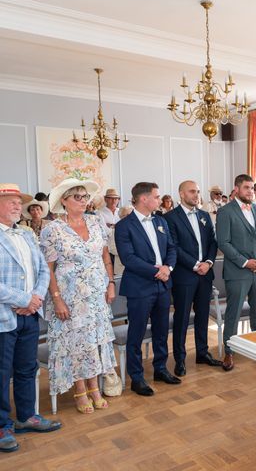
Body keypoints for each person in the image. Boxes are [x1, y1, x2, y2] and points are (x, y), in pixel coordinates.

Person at [40, 178, 117, 414]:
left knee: (94, 341)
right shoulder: (52, 229)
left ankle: (95, 387)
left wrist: (111, 283)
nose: (83, 201)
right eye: (77, 197)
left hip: (96, 295)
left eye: (85, 197)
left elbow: (105, 258)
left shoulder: (95, 222)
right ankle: (80, 390)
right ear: (64, 201)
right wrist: (57, 298)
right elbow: (48, 268)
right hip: (69, 297)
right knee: (75, 345)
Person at [0, 183, 60, 453]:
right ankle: (2, 426)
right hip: (4, 316)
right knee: (1, 375)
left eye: (18, 201)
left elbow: (42, 269)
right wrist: (23, 300)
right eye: (11, 201)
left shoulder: (25, 235)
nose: (17, 205)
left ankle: (26, 417)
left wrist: (35, 298)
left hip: (29, 315)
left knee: (27, 368)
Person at [114, 182, 180, 396]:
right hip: (140, 287)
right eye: (156, 196)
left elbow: (171, 248)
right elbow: (128, 258)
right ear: (144, 199)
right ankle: (137, 376)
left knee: (162, 330)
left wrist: (168, 268)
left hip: (163, 284)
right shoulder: (124, 225)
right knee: (137, 332)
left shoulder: (161, 221)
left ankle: (160, 368)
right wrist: (156, 271)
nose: (159, 200)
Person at [165, 181, 221, 377]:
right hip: (184, 275)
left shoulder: (204, 216)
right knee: (181, 318)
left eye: (197, 192)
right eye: (192, 192)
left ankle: (202, 352)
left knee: (203, 315)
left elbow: (213, 243)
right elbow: (173, 246)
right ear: (181, 194)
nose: (196, 195)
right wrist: (195, 265)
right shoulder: (170, 217)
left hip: (205, 275)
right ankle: (180, 359)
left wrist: (208, 262)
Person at [216, 174, 256, 372]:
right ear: (237, 189)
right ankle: (229, 351)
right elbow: (223, 243)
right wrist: (245, 262)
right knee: (234, 312)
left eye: (252, 188)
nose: (250, 191)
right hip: (238, 271)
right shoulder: (225, 212)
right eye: (246, 188)